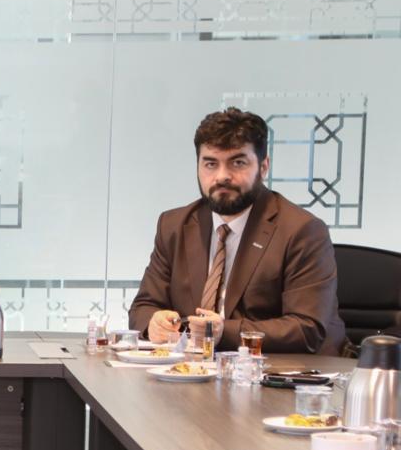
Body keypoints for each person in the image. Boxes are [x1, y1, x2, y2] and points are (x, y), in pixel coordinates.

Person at [129, 107, 346, 355]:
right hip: (193, 369)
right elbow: (143, 307)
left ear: (263, 167)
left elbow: (306, 328)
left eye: (238, 163)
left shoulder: (301, 231)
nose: (222, 176)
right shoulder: (174, 225)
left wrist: (224, 333)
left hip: (278, 372)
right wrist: (153, 323)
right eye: (210, 164)